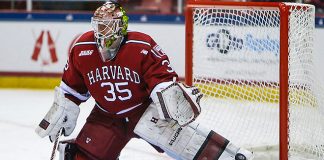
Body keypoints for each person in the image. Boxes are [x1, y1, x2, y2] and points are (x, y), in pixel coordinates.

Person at [35, 1, 254, 160]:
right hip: (106, 115)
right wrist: (63, 108)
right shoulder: (82, 48)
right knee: (82, 156)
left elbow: (161, 79)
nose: (101, 31)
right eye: (98, 25)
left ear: (121, 27)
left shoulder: (141, 45)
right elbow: (72, 89)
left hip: (144, 111)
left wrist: (170, 93)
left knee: (199, 150)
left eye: (107, 26)